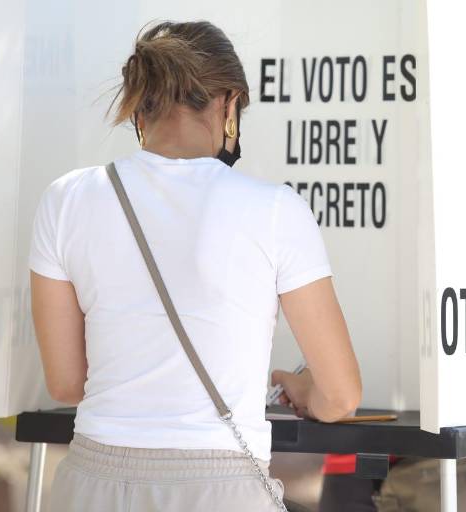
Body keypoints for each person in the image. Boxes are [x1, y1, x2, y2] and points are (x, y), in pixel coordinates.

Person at [29, 20, 362, 512]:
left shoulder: (67, 199)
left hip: (94, 483)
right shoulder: (274, 209)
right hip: (219, 489)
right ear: (229, 103)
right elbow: (341, 397)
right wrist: (303, 387)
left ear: (140, 105)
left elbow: (65, 382)